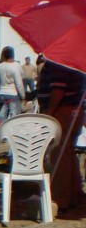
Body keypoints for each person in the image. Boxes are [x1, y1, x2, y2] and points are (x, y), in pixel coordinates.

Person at [37, 61, 86, 213]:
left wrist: (50, 112)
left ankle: (60, 198)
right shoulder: (68, 64)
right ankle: (74, 195)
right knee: (68, 153)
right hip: (72, 109)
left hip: (63, 110)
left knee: (60, 153)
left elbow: (58, 89)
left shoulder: (60, 64)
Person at [0, 46, 25, 122]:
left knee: (2, 115)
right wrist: (23, 96)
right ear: (13, 55)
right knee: (14, 115)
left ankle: (1, 128)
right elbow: (19, 82)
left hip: (2, 92)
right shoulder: (15, 66)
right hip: (13, 93)